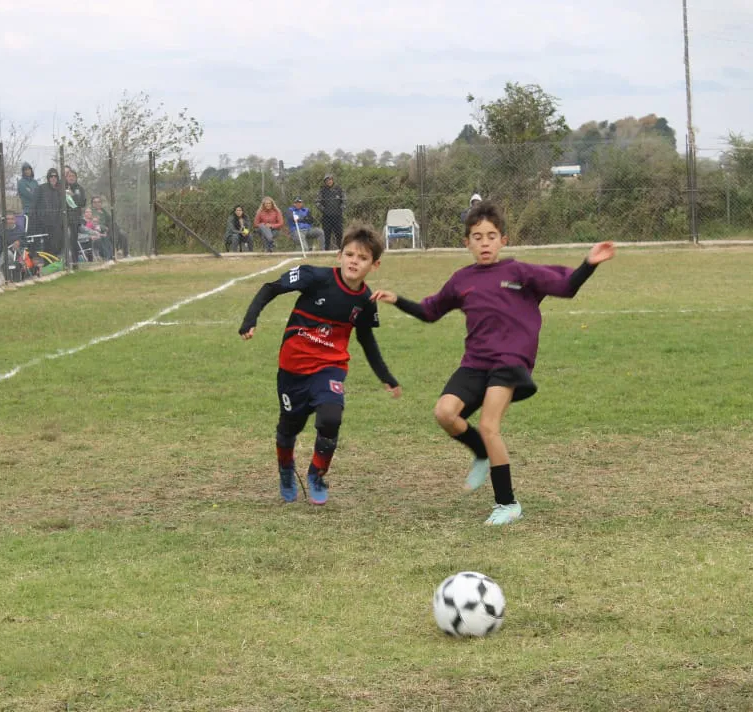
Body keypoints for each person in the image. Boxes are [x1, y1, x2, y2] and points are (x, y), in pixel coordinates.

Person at [372, 201, 616, 526]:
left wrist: (589, 263)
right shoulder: (462, 280)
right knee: (444, 413)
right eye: (477, 237)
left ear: (504, 240)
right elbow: (431, 312)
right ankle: (482, 453)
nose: (484, 243)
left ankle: (508, 503)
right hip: (476, 362)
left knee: (489, 426)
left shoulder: (519, 272)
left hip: (510, 362)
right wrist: (398, 300)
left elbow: (566, 286)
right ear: (467, 243)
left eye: (491, 236)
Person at [238, 223, 402, 505]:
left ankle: (317, 473)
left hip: (330, 367)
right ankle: (286, 469)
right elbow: (270, 288)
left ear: (374, 265)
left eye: (362, 258)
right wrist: (250, 319)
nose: (354, 261)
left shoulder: (365, 300)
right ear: (340, 255)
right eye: (350, 254)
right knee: (289, 427)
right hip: (292, 368)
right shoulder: (314, 276)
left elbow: (366, 339)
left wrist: (385, 375)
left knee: (331, 418)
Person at [31, 168, 65, 258]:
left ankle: (58, 264)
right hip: (44, 224)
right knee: (48, 247)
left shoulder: (60, 190)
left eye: (55, 176)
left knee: (59, 245)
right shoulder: (41, 188)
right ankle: (49, 265)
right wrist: (37, 220)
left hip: (58, 223)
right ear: (48, 177)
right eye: (51, 176)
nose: (53, 178)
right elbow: (34, 205)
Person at [316, 174, 346, 251]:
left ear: (333, 180)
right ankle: (326, 252)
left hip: (337, 216)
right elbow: (317, 202)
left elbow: (344, 201)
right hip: (326, 217)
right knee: (326, 236)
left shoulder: (339, 189)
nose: (329, 181)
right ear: (325, 182)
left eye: (330, 179)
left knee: (339, 234)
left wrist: (341, 208)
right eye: (327, 180)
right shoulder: (322, 191)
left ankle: (341, 251)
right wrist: (324, 210)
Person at [64, 168, 87, 258]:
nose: (71, 178)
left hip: (75, 219)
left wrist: (72, 196)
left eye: (73, 176)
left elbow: (82, 203)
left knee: (73, 240)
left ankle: (75, 261)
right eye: (69, 176)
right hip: (64, 219)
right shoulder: (62, 188)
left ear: (76, 178)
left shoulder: (80, 189)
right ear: (66, 178)